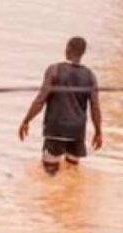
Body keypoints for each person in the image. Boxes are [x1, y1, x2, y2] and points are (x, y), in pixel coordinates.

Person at [17, 36, 103, 175]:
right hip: (77, 132)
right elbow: (95, 107)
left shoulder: (54, 70)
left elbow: (41, 99)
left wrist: (26, 120)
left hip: (56, 129)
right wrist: (98, 132)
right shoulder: (90, 76)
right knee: (72, 172)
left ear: (67, 49)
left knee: (50, 174)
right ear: (82, 53)